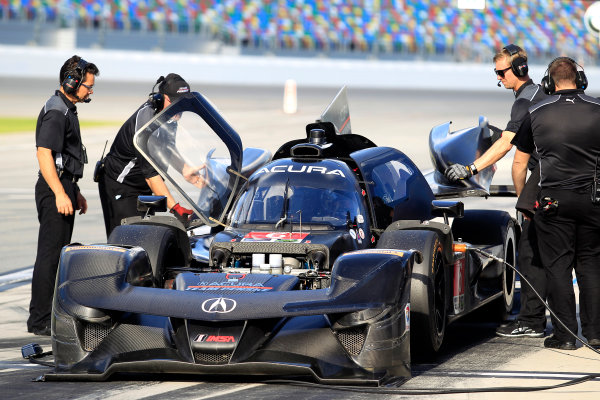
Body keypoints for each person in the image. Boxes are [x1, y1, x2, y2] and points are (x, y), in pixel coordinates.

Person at [445, 44, 549, 339]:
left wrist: (470, 169)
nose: (499, 79)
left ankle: (532, 320)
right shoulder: (539, 94)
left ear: (518, 71)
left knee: (531, 252)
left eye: (501, 73)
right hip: (567, 178)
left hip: (548, 178)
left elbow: (508, 147)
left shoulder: (525, 101)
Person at [511, 57, 600, 350]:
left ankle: (565, 336)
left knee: (558, 267)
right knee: (591, 266)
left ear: (549, 82)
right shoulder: (597, 109)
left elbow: (520, 164)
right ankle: (596, 334)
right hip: (593, 200)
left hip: (552, 202)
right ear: (580, 80)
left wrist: (526, 201)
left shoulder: (536, 110)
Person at [27, 55, 99, 336]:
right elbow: (44, 153)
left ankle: (48, 315)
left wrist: (74, 190)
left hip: (63, 185)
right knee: (49, 255)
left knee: (57, 253)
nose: (90, 91)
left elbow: (61, 157)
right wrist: (59, 191)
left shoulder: (66, 108)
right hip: (53, 188)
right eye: (88, 86)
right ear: (72, 82)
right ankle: (40, 319)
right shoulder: (57, 111)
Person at [98, 73, 200, 238]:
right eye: (174, 103)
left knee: (144, 239)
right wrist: (176, 209)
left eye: (182, 104)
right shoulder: (146, 121)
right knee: (126, 241)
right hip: (121, 184)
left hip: (143, 186)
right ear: (163, 97)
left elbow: (167, 147)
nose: (178, 109)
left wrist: (185, 169)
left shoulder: (171, 115)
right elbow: (151, 174)